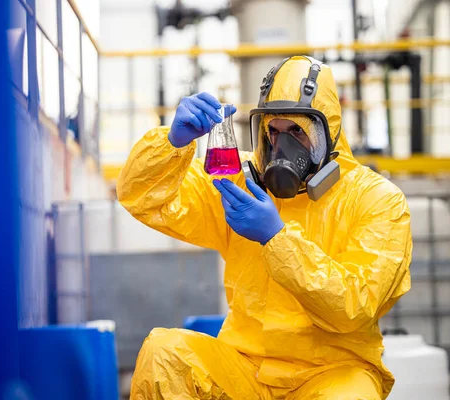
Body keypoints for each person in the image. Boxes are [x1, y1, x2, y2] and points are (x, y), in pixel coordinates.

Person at [117, 56, 412, 399]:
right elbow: (143, 198)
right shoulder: (239, 182)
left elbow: (354, 306)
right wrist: (172, 143)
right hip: (246, 368)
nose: (281, 145)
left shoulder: (377, 200)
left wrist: (276, 238)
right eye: (274, 131)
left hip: (332, 373)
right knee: (165, 354)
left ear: (327, 131)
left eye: (297, 132)